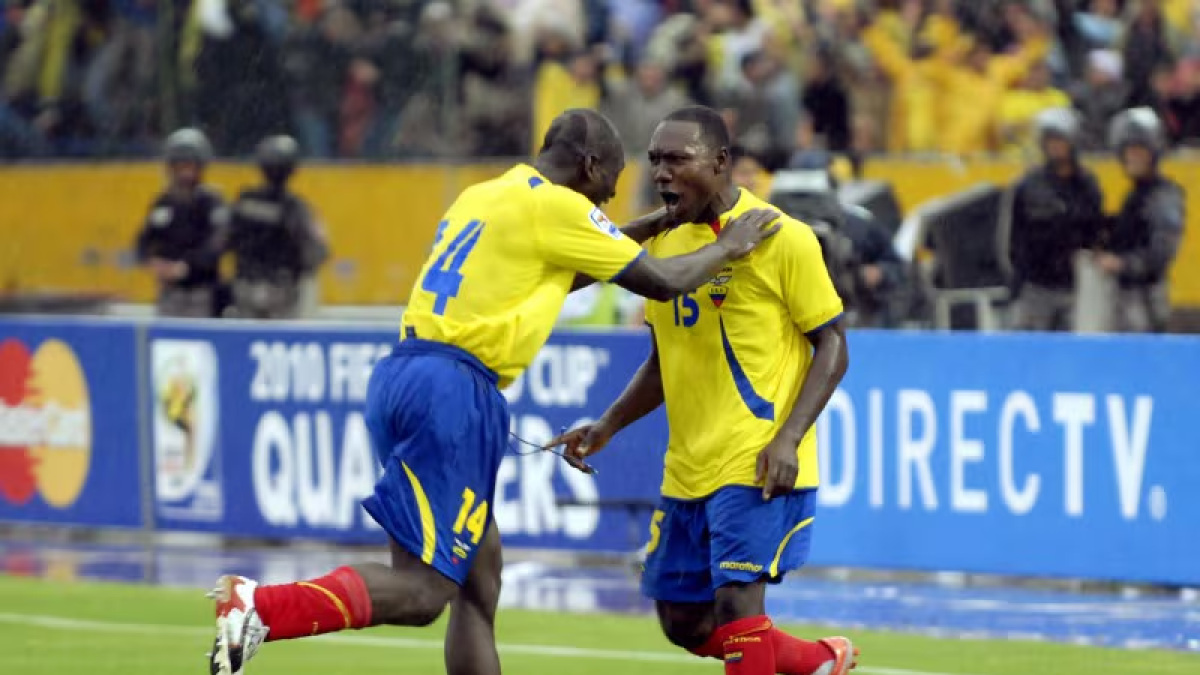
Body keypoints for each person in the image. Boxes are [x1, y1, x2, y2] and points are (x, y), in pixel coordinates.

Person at [207, 108, 783, 675]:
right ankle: (262, 608)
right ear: (588, 165)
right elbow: (663, 283)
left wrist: (651, 227)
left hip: (404, 372)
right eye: (606, 189)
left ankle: (265, 609)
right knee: (425, 589)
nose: (604, 205)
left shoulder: (486, 195)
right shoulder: (558, 206)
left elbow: (570, 268)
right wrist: (730, 245)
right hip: (454, 390)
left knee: (478, 578)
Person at [548, 106, 857, 675]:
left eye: (677, 160)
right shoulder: (663, 248)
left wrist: (788, 438)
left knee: (738, 605)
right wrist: (609, 424)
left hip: (756, 456)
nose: (662, 173)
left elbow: (833, 345)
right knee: (682, 621)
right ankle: (818, 661)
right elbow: (664, 360)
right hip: (688, 466)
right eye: (655, 161)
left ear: (720, 163)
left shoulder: (782, 237)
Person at [1008, 108, 1104, 331]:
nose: (1055, 145)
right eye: (1049, 140)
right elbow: (1013, 238)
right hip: (1035, 287)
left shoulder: (1088, 186)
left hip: (1074, 287)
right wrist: (1019, 281)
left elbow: (1094, 232)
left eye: (1060, 139)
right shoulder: (1028, 185)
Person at [1093, 107, 1185, 332]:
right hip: (1127, 299)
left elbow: (1162, 251)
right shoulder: (1137, 194)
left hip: (1145, 301)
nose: (1133, 157)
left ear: (1153, 152)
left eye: (1139, 150)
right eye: (1128, 151)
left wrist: (1122, 264)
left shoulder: (1162, 196)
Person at [225, 135, 330, 319]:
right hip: (281, 291)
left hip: (245, 287)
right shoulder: (295, 208)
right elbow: (316, 252)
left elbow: (225, 240)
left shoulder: (245, 201)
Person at [133, 128, 228, 318]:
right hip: (169, 293)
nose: (185, 172)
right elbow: (144, 241)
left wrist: (187, 267)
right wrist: (154, 262)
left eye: (190, 166)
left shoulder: (211, 202)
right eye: (180, 166)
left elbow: (218, 243)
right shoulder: (164, 203)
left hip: (202, 291)